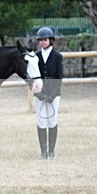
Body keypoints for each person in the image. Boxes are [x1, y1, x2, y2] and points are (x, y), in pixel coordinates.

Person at [33, 27, 64, 159]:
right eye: (40, 40)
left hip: (53, 94)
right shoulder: (36, 56)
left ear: (51, 40)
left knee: (52, 120)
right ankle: (43, 151)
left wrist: (52, 94)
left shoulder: (57, 57)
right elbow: (32, 76)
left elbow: (59, 77)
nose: (42, 42)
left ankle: (51, 151)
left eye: (45, 40)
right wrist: (38, 93)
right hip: (39, 93)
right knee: (41, 121)